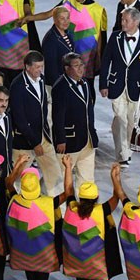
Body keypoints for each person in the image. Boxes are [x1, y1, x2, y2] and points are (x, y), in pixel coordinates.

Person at [5, 156, 73, 280]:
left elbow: (9, 183)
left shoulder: (16, 200)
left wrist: (18, 164)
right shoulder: (48, 203)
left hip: (24, 253)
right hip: (44, 255)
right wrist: (67, 168)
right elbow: (68, 193)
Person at [62, 165, 124, 280]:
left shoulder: (72, 208)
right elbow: (116, 198)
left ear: (81, 198)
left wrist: (68, 168)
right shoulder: (102, 210)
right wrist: (115, 178)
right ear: (96, 198)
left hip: (78, 263)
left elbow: (68, 190)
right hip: (98, 264)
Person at [20, 0, 108, 88]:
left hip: (87, 56)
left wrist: (99, 58)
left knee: (87, 86)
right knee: (68, 85)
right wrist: (29, 18)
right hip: (68, 50)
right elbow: (48, 14)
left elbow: (101, 38)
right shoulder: (67, 2)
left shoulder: (98, 10)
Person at [100, 7, 140, 167]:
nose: (122, 23)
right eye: (121, 19)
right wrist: (103, 83)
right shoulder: (115, 37)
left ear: (136, 21)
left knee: (131, 121)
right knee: (120, 119)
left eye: (125, 20)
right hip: (116, 86)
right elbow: (105, 61)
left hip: (136, 88)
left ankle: (127, 150)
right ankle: (122, 154)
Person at [10, 51, 62, 196]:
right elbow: (19, 118)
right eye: (37, 67)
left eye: (42, 66)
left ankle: (57, 210)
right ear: (27, 67)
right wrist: (34, 142)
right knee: (19, 180)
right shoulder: (17, 86)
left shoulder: (41, 79)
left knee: (55, 174)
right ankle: (18, 208)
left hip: (43, 137)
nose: (40, 70)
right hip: (24, 142)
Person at [52, 53, 98, 187]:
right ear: (67, 68)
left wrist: (92, 132)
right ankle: (59, 207)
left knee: (87, 179)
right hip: (69, 141)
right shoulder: (60, 87)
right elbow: (58, 116)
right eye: (76, 66)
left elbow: (89, 111)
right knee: (61, 180)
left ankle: (85, 206)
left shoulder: (85, 84)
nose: (80, 69)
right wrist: (60, 139)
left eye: (81, 65)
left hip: (87, 139)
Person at [41, 6, 75, 88]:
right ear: (55, 20)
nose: (66, 21)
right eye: (62, 18)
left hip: (68, 81)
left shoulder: (69, 33)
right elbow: (51, 69)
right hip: (56, 85)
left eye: (67, 18)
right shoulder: (50, 39)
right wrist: (60, 87)